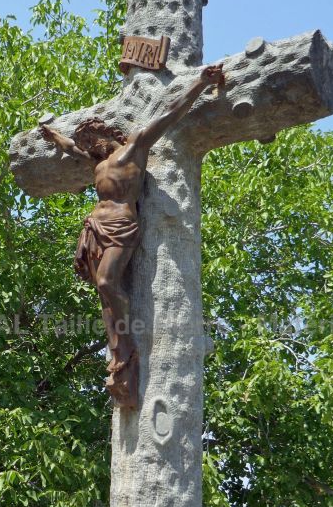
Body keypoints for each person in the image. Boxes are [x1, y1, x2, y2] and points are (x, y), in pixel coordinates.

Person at [39, 63, 224, 406]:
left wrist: (199, 82)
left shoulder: (136, 146)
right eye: (87, 142)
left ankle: (127, 338)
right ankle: (119, 350)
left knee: (109, 284)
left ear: (108, 133)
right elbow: (69, 148)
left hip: (122, 225)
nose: (91, 145)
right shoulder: (96, 164)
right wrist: (53, 136)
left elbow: (169, 114)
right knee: (104, 295)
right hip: (95, 228)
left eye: (94, 138)